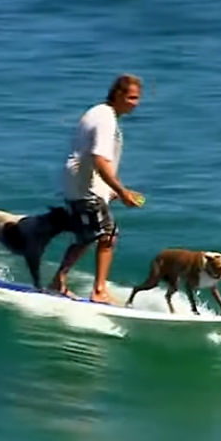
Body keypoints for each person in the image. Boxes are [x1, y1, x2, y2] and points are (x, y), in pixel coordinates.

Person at [47, 74, 144, 305]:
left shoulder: (99, 112)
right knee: (108, 234)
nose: (135, 103)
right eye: (131, 97)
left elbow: (89, 157)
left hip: (78, 185)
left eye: (138, 98)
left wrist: (110, 190)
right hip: (85, 187)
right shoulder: (106, 119)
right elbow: (99, 159)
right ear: (118, 94)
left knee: (87, 236)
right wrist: (121, 191)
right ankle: (99, 291)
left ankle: (57, 281)